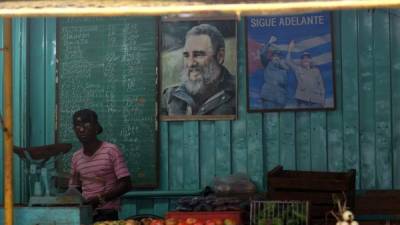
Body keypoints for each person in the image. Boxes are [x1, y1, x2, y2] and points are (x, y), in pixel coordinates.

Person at [68, 109, 132, 222]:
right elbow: (75, 188)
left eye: (86, 123)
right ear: (74, 130)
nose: (82, 129)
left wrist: (98, 199)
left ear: (96, 127)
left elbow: (126, 184)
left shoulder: (111, 150)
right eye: (77, 125)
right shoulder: (76, 157)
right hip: (84, 214)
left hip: (108, 214)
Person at [162, 23, 236, 115]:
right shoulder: (169, 97)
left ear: (220, 56)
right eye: (186, 55)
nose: (190, 63)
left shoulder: (239, 94)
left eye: (199, 55)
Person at [287, 40, 325, 107]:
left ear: (310, 60)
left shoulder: (316, 71)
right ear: (301, 61)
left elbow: (321, 85)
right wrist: (290, 49)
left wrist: (322, 99)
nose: (305, 59)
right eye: (303, 58)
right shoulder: (298, 69)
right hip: (302, 100)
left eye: (307, 58)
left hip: (316, 100)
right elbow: (288, 61)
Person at [259, 36, 290, 108]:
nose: (276, 58)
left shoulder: (284, 69)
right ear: (272, 57)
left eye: (278, 56)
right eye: (275, 56)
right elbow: (262, 54)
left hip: (281, 99)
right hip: (268, 97)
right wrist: (269, 42)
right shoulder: (267, 63)